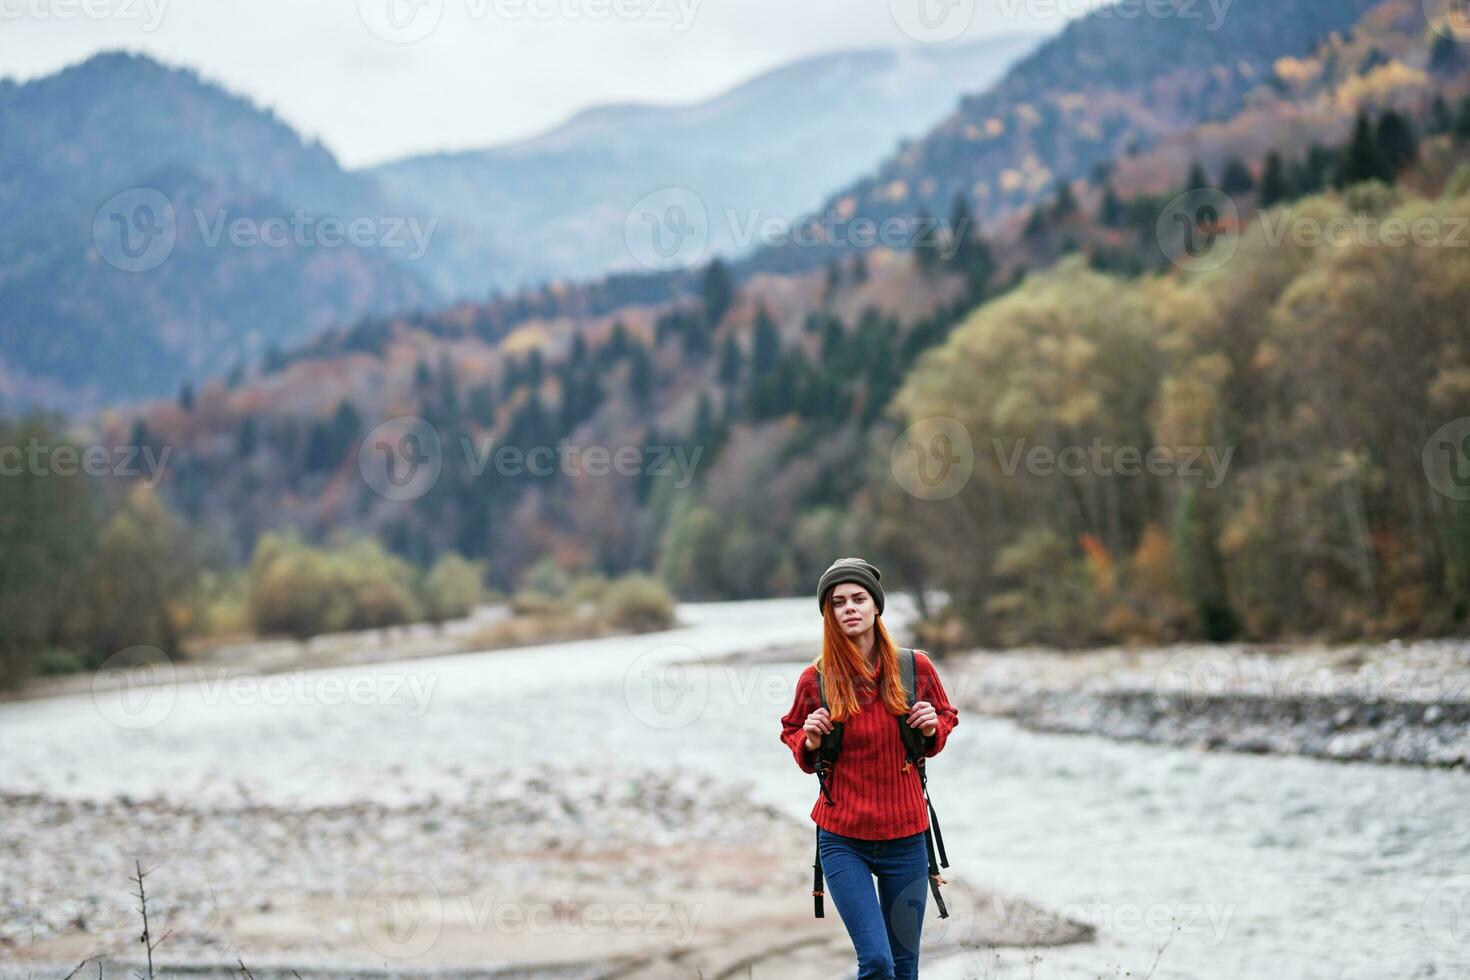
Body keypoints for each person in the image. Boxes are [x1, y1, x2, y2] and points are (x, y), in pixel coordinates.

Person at [779, 557, 959, 980]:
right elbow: (791, 732)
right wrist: (810, 738)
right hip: (844, 839)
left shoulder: (915, 667)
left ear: (876, 606)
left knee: (904, 967)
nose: (849, 608)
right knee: (877, 961)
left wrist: (933, 726)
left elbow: (946, 716)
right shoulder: (815, 679)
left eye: (859, 599)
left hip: (907, 837)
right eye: (838, 602)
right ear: (829, 613)